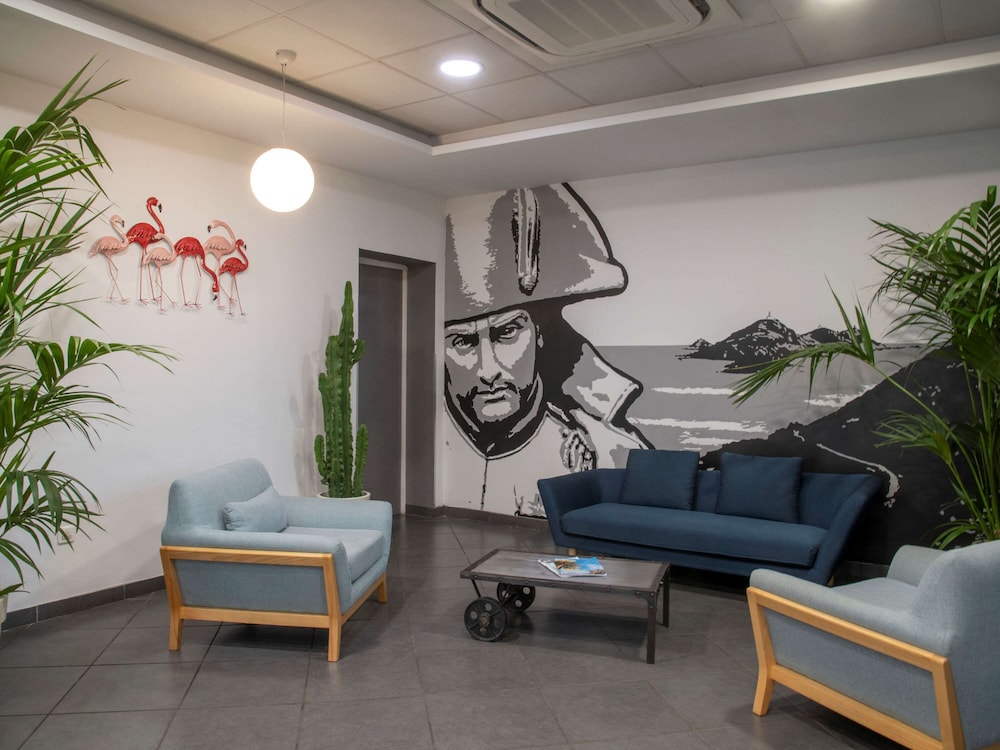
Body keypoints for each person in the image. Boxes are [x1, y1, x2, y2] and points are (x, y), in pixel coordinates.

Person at [445, 183, 650, 516]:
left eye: (507, 332)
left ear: (540, 335)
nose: (487, 370)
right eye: (462, 342)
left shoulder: (613, 454)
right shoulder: (418, 445)